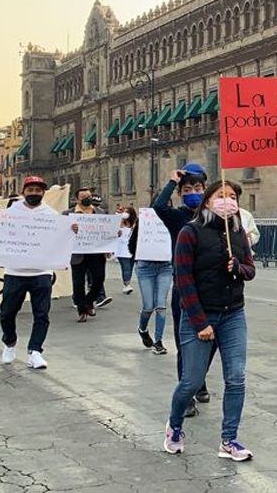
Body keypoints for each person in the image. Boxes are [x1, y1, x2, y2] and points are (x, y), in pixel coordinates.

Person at [164, 180, 256, 461]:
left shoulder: (238, 233)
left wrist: (238, 268)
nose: (228, 200)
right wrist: (200, 322)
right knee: (191, 381)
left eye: (233, 196)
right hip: (200, 315)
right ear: (207, 201)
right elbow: (183, 280)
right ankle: (174, 426)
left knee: (236, 378)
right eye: (221, 195)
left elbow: (250, 270)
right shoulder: (190, 232)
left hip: (233, 313)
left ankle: (229, 440)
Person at [0, 176, 70, 370]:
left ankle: (35, 351)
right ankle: (9, 342)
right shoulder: (10, 214)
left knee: (41, 314)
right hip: (15, 272)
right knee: (7, 313)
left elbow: (60, 240)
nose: (34, 193)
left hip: (42, 273)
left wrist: (71, 231)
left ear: (43, 193)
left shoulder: (52, 216)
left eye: (38, 190)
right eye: (31, 190)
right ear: (23, 192)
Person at [153, 163, 210, 416]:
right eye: (187, 190)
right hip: (184, 288)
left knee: (211, 341)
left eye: (198, 188)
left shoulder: (213, 217)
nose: (193, 193)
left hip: (210, 288)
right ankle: (186, 395)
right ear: (180, 194)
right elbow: (158, 206)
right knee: (185, 342)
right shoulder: (177, 217)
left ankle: (200, 380)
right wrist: (172, 182)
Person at [129, 208, 172, 355]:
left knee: (161, 305)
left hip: (165, 267)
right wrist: (143, 252)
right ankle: (143, 329)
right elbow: (131, 246)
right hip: (145, 267)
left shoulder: (170, 221)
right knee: (148, 306)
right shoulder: (143, 223)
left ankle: (158, 341)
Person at [66, 187, 110, 322]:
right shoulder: (68, 214)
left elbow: (108, 230)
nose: (87, 199)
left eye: (89, 196)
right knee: (78, 283)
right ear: (76, 199)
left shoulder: (101, 213)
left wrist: (115, 234)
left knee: (99, 278)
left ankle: (89, 301)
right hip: (77, 253)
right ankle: (82, 310)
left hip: (96, 253)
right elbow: (61, 233)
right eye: (84, 197)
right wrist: (70, 229)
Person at [116, 207, 136, 294]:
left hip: (131, 249)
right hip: (122, 249)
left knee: (130, 267)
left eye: (127, 212)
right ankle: (127, 284)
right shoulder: (120, 222)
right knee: (126, 267)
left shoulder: (135, 223)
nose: (125, 213)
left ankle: (127, 283)